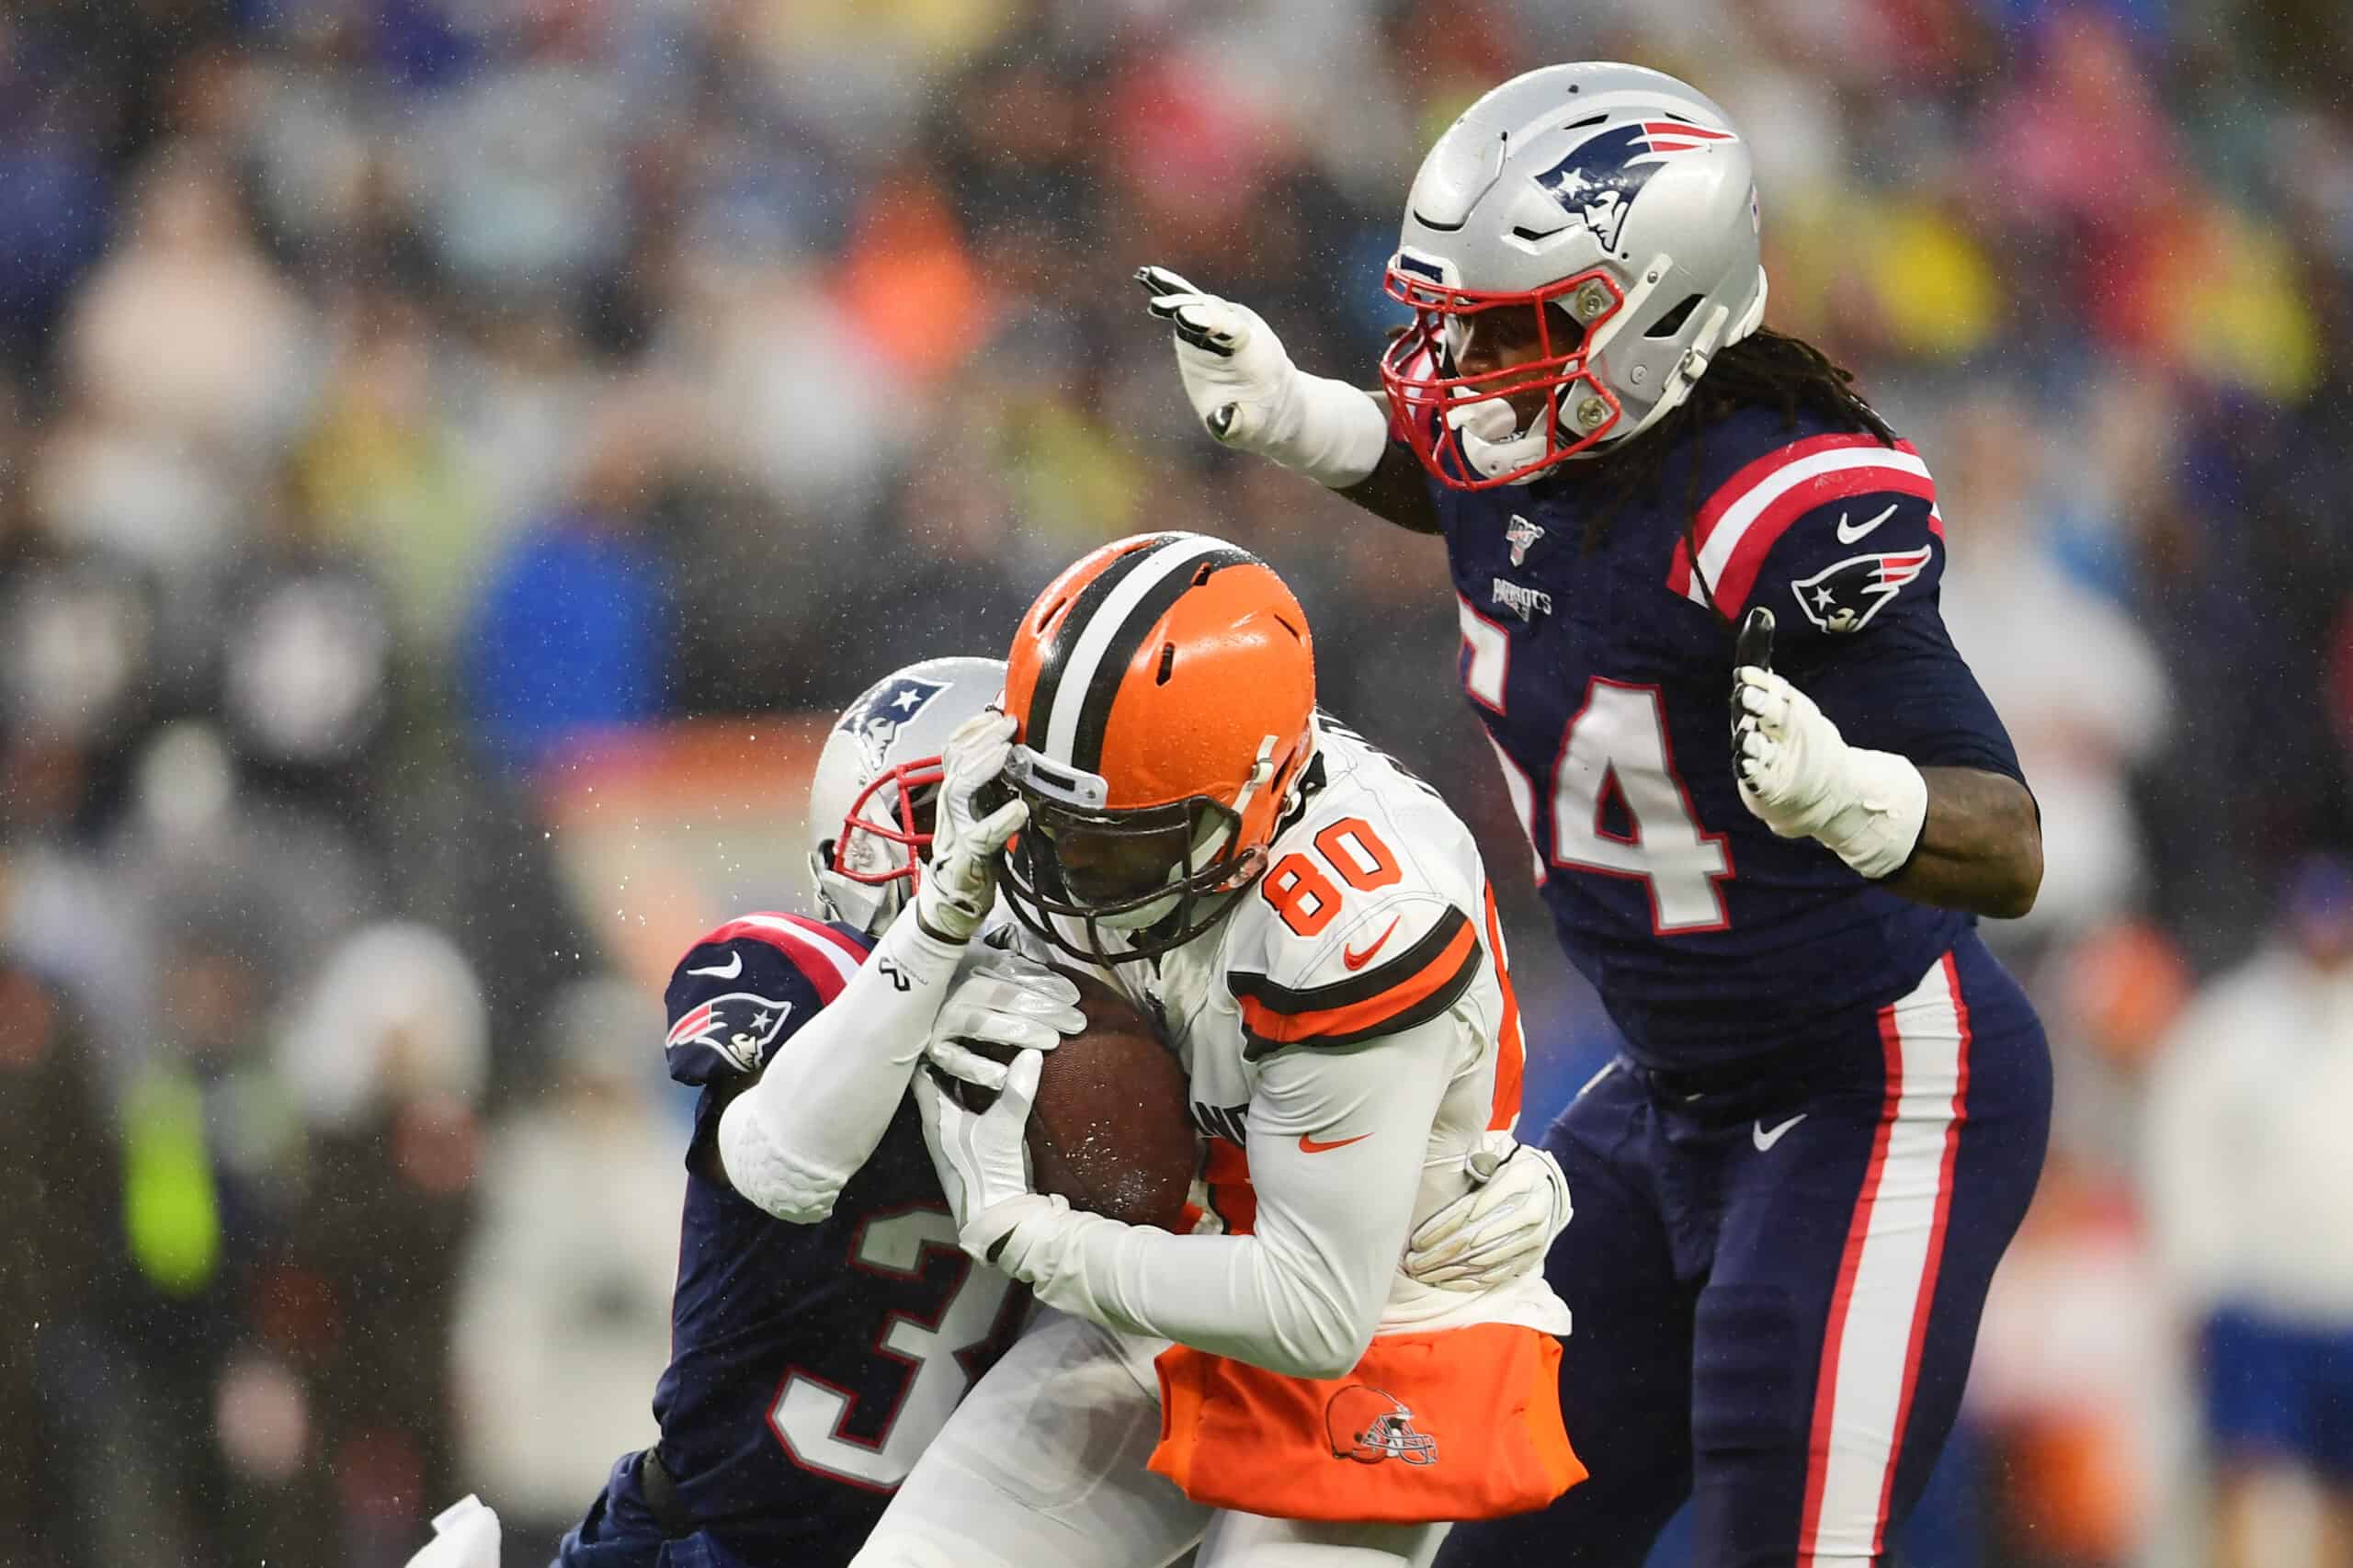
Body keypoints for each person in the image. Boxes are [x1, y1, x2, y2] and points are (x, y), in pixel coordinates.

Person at [1138, 62, 2052, 1565]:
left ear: (1654, 308)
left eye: (1507, 329)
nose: (1454, 369)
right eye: (1448, 322)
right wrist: (1307, 419)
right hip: (1671, 1084)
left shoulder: (1773, 496)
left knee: (1786, 1527)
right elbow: (1468, 482)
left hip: (1871, 1082)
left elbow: (2007, 839)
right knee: (1504, 1522)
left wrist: (1856, 795)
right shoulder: (1538, 432)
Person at [854, 531, 1578, 1568]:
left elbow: (1313, 1309)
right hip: (1172, 1273)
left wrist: (1029, 1234)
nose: (1075, 878)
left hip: (1383, 1316)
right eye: (1053, 827)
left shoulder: (1359, 920)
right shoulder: (1045, 808)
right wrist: (934, 948)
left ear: (1255, 792)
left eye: (1122, 843)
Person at [2144, 856, 2353, 1568]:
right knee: (2242, 1479)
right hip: (2259, 1296)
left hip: (2345, 1294)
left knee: (2339, 1488)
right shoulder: (2232, 1025)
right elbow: (2183, 1157)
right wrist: (2196, 1280)